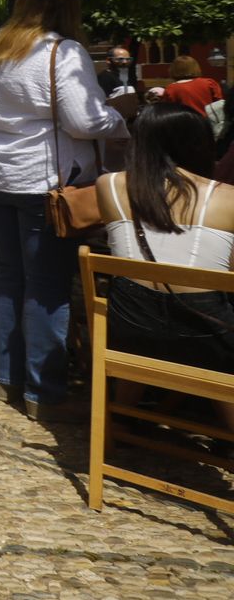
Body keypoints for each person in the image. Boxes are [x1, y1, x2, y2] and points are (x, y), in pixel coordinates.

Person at [0, 0, 127, 422]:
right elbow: (85, 121)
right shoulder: (61, 51)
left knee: (8, 275)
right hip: (44, 181)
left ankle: (6, 375)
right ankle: (42, 389)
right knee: (46, 285)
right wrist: (120, 117)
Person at [96, 102, 234, 430]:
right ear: (199, 144)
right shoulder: (227, 198)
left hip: (128, 332)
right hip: (205, 340)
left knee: (142, 299)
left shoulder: (109, 186)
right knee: (211, 329)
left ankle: (119, 424)